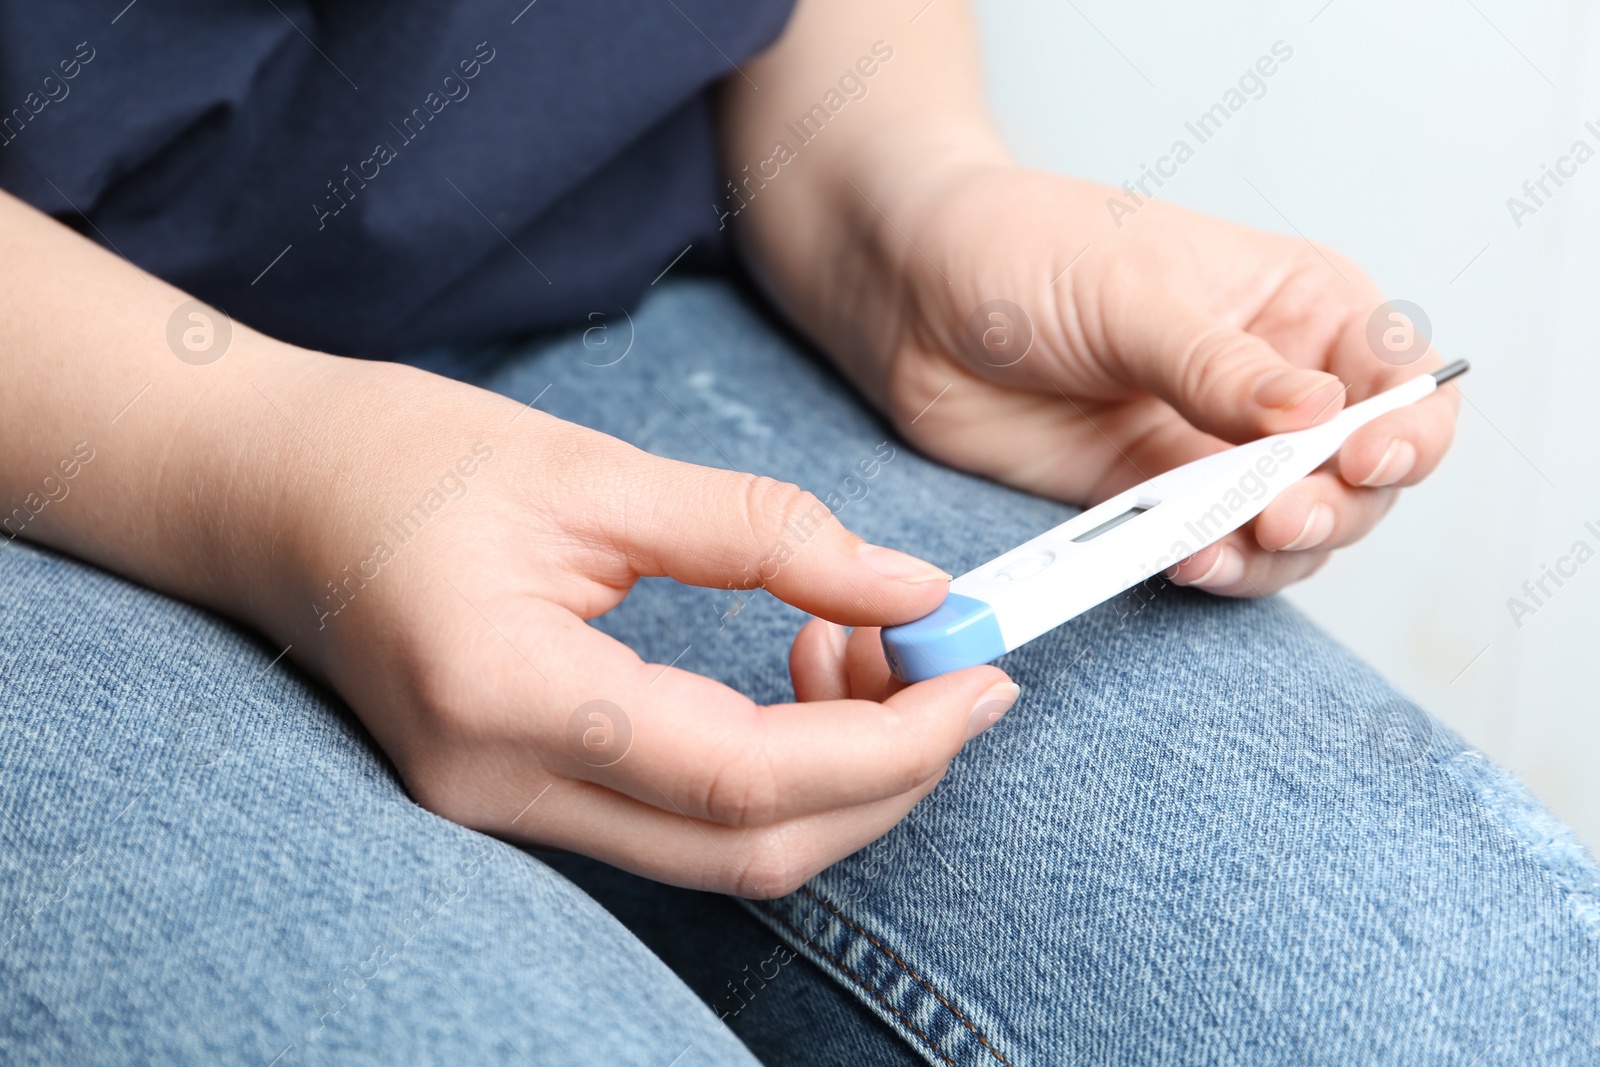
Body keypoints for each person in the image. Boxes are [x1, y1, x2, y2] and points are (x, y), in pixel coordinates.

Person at [2, 1, 1595, 1063]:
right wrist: (261, 460)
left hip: (623, 268)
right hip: (53, 418)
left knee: (1461, 997)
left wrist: (895, 194)